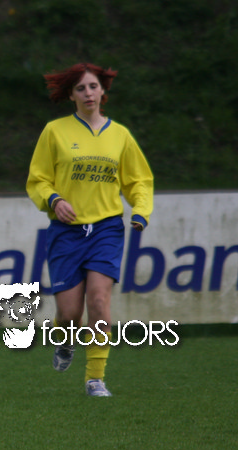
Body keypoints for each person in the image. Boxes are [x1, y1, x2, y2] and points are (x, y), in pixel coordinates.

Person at [26, 63, 153, 397]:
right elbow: (38, 179)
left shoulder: (120, 135)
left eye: (93, 86)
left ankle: (95, 379)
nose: (88, 93)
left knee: (98, 300)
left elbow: (138, 180)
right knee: (69, 314)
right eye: (80, 88)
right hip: (66, 231)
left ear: (103, 91)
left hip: (106, 229)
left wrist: (140, 210)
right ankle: (65, 341)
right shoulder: (55, 131)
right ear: (71, 95)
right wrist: (54, 200)